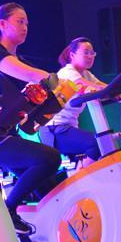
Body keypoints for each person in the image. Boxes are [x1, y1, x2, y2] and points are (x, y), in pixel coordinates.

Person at [0, 3, 63, 234]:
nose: (25, 27)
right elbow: (33, 75)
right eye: (20, 21)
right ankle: (8, 211)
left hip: (8, 134)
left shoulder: (18, 58)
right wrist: (57, 80)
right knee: (50, 158)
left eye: (27, 23)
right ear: (3, 24)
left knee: (53, 192)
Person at [40, 37, 106, 168]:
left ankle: (79, 174)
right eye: (86, 52)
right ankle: (79, 176)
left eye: (92, 53)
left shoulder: (86, 74)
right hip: (54, 130)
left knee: (101, 146)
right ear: (72, 55)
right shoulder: (68, 73)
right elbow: (92, 88)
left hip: (68, 127)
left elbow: (103, 86)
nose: (90, 56)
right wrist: (114, 91)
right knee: (96, 144)